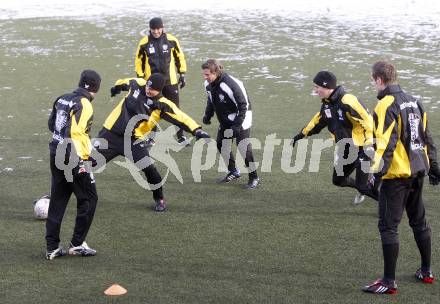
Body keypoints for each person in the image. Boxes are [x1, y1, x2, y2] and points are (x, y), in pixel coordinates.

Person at [362, 61, 439, 294]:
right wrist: (434, 168)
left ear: (379, 79)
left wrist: (376, 173)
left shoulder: (386, 104)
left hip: (396, 176)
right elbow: (428, 139)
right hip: (418, 172)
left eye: (373, 79)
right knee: (419, 222)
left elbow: (385, 144)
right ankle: (426, 271)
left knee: (388, 226)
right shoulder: (415, 100)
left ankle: (388, 282)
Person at [96, 73, 209, 212]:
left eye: (153, 89)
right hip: (110, 135)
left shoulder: (162, 104)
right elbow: (123, 81)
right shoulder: (137, 84)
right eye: (148, 86)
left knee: (150, 170)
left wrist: (196, 130)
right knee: (86, 164)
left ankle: (159, 198)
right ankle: (69, 189)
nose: (149, 90)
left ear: (160, 90)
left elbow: (181, 117)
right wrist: (116, 88)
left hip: (133, 141)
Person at [291, 70, 377, 204]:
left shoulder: (348, 100)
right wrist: (302, 134)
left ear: (326, 87)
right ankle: (368, 186)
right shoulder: (327, 104)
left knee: (362, 185)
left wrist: (369, 144)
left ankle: (390, 207)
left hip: (363, 148)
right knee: (338, 180)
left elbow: (368, 122)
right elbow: (318, 121)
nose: (315, 90)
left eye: (317, 87)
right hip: (346, 150)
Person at [45, 69, 101, 260]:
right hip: (73, 157)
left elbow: (52, 124)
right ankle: (77, 244)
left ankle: (52, 247)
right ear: (95, 88)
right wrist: (84, 159)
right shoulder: (84, 104)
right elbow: (76, 132)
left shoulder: (62, 98)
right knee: (89, 199)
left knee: (58, 201)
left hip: (55, 153)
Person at [201, 59, 260, 189]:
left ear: (215, 72)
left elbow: (243, 105)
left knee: (243, 145)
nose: (205, 77)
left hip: (242, 115)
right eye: (204, 74)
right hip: (226, 116)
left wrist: (236, 126)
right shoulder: (208, 84)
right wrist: (208, 115)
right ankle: (233, 171)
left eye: (207, 74)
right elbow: (211, 101)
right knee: (221, 143)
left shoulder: (229, 84)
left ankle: (254, 177)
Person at [135, 17, 188, 144]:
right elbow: (139, 61)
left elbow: (179, 57)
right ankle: (151, 138)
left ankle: (181, 136)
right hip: (152, 84)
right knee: (152, 110)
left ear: (162, 28)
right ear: (150, 29)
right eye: (153, 29)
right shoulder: (144, 42)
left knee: (175, 109)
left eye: (158, 29)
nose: (156, 32)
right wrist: (140, 78)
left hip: (170, 81)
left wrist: (182, 73)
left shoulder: (171, 40)